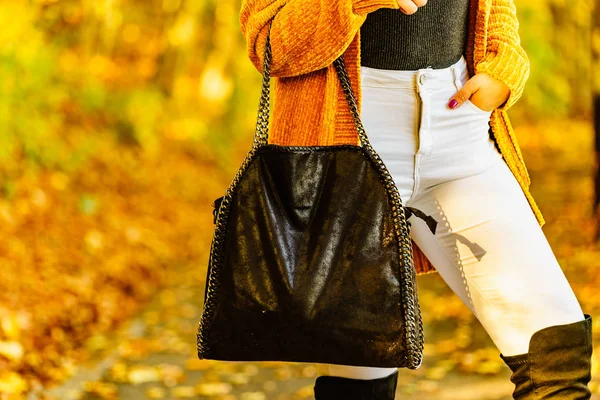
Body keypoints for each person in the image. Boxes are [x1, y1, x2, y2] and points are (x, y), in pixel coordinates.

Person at [239, 0, 594, 398]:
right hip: (347, 139)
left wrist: (504, 68)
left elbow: (498, 18)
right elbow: (266, 42)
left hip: (461, 130)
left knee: (556, 353)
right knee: (362, 374)